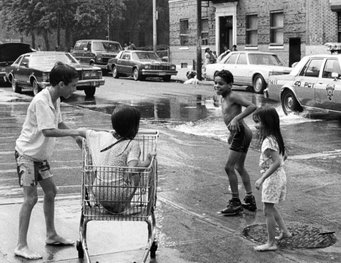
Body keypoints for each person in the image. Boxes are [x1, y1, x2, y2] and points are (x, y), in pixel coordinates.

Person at [14, 62, 83, 260]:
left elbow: (58, 122)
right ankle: (21, 245)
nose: (74, 89)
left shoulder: (56, 98)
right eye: (72, 85)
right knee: (31, 199)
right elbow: (48, 130)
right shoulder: (42, 101)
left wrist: (75, 136)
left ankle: (51, 234)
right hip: (26, 155)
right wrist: (76, 131)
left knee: (51, 192)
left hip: (40, 157)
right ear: (61, 84)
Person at [77, 105, 155, 213]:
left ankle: (104, 206)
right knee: (136, 175)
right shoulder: (133, 144)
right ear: (134, 127)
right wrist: (147, 161)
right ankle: (125, 207)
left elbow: (81, 132)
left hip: (98, 192)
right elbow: (132, 168)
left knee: (101, 168)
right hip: (118, 195)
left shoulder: (105, 137)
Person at [214, 70, 257, 216]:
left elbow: (252, 106)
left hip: (241, 132)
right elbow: (228, 115)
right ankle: (250, 198)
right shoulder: (223, 97)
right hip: (240, 133)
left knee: (229, 167)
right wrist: (231, 133)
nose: (217, 86)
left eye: (221, 83)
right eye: (215, 83)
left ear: (230, 85)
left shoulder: (232, 96)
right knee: (239, 166)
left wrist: (236, 119)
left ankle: (235, 202)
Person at [252, 106, 291, 251]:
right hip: (279, 176)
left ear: (267, 123)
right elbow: (284, 156)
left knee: (267, 210)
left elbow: (277, 162)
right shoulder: (276, 138)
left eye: (258, 122)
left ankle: (271, 243)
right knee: (270, 206)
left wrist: (262, 178)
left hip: (272, 177)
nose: (256, 125)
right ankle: (285, 232)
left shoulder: (268, 141)